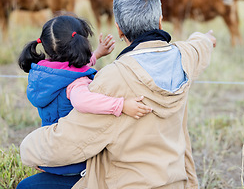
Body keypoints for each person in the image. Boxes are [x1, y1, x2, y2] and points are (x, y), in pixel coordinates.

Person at [19, 0, 216, 189]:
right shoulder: (185, 56)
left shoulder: (112, 77)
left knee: (27, 186)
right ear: (160, 22)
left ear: (119, 30)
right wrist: (206, 39)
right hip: (176, 182)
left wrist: (27, 148)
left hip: (125, 183)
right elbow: (200, 45)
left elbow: (68, 143)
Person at [17, 15, 152, 188]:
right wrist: (122, 105)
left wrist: (97, 54)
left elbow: (69, 67)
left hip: (49, 150)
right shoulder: (76, 83)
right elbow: (83, 101)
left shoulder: (43, 73)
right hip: (73, 159)